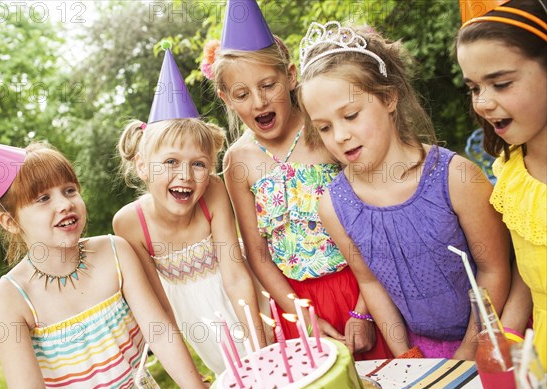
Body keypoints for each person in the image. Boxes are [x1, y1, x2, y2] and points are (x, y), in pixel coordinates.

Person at [298, 21, 512, 359]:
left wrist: (466, 355)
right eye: (324, 127)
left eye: (351, 115)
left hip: (490, 338)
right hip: (423, 349)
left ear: (389, 97)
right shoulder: (333, 206)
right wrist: (406, 356)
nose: (339, 136)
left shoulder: (456, 177)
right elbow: (370, 284)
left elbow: (495, 270)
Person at [203, 0, 392, 360]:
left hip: (361, 287)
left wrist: (364, 307)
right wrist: (301, 313)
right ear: (227, 98)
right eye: (242, 95)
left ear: (290, 76)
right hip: (298, 306)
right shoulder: (237, 162)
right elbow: (257, 254)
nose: (259, 102)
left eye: (268, 85)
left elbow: (373, 219)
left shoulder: (324, 132)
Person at [0, 138, 207, 389]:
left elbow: (160, 334)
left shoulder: (115, 252)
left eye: (70, 190)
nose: (64, 204)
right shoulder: (9, 298)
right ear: (10, 221)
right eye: (43, 198)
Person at [113, 45, 266, 376]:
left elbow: (236, 273)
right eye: (170, 162)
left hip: (248, 302)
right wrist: (189, 376)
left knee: (277, 373)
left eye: (198, 164)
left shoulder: (212, 190)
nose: (185, 175)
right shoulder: (129, 223)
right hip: (198, 320)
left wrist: (259, 346)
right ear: (142, 165)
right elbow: (159, 308)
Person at [456, 0, 546, 366]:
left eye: (501, 83)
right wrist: (504, 339)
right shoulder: (511, 172)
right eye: (474, 88)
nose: (483, 103)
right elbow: (531, 272)